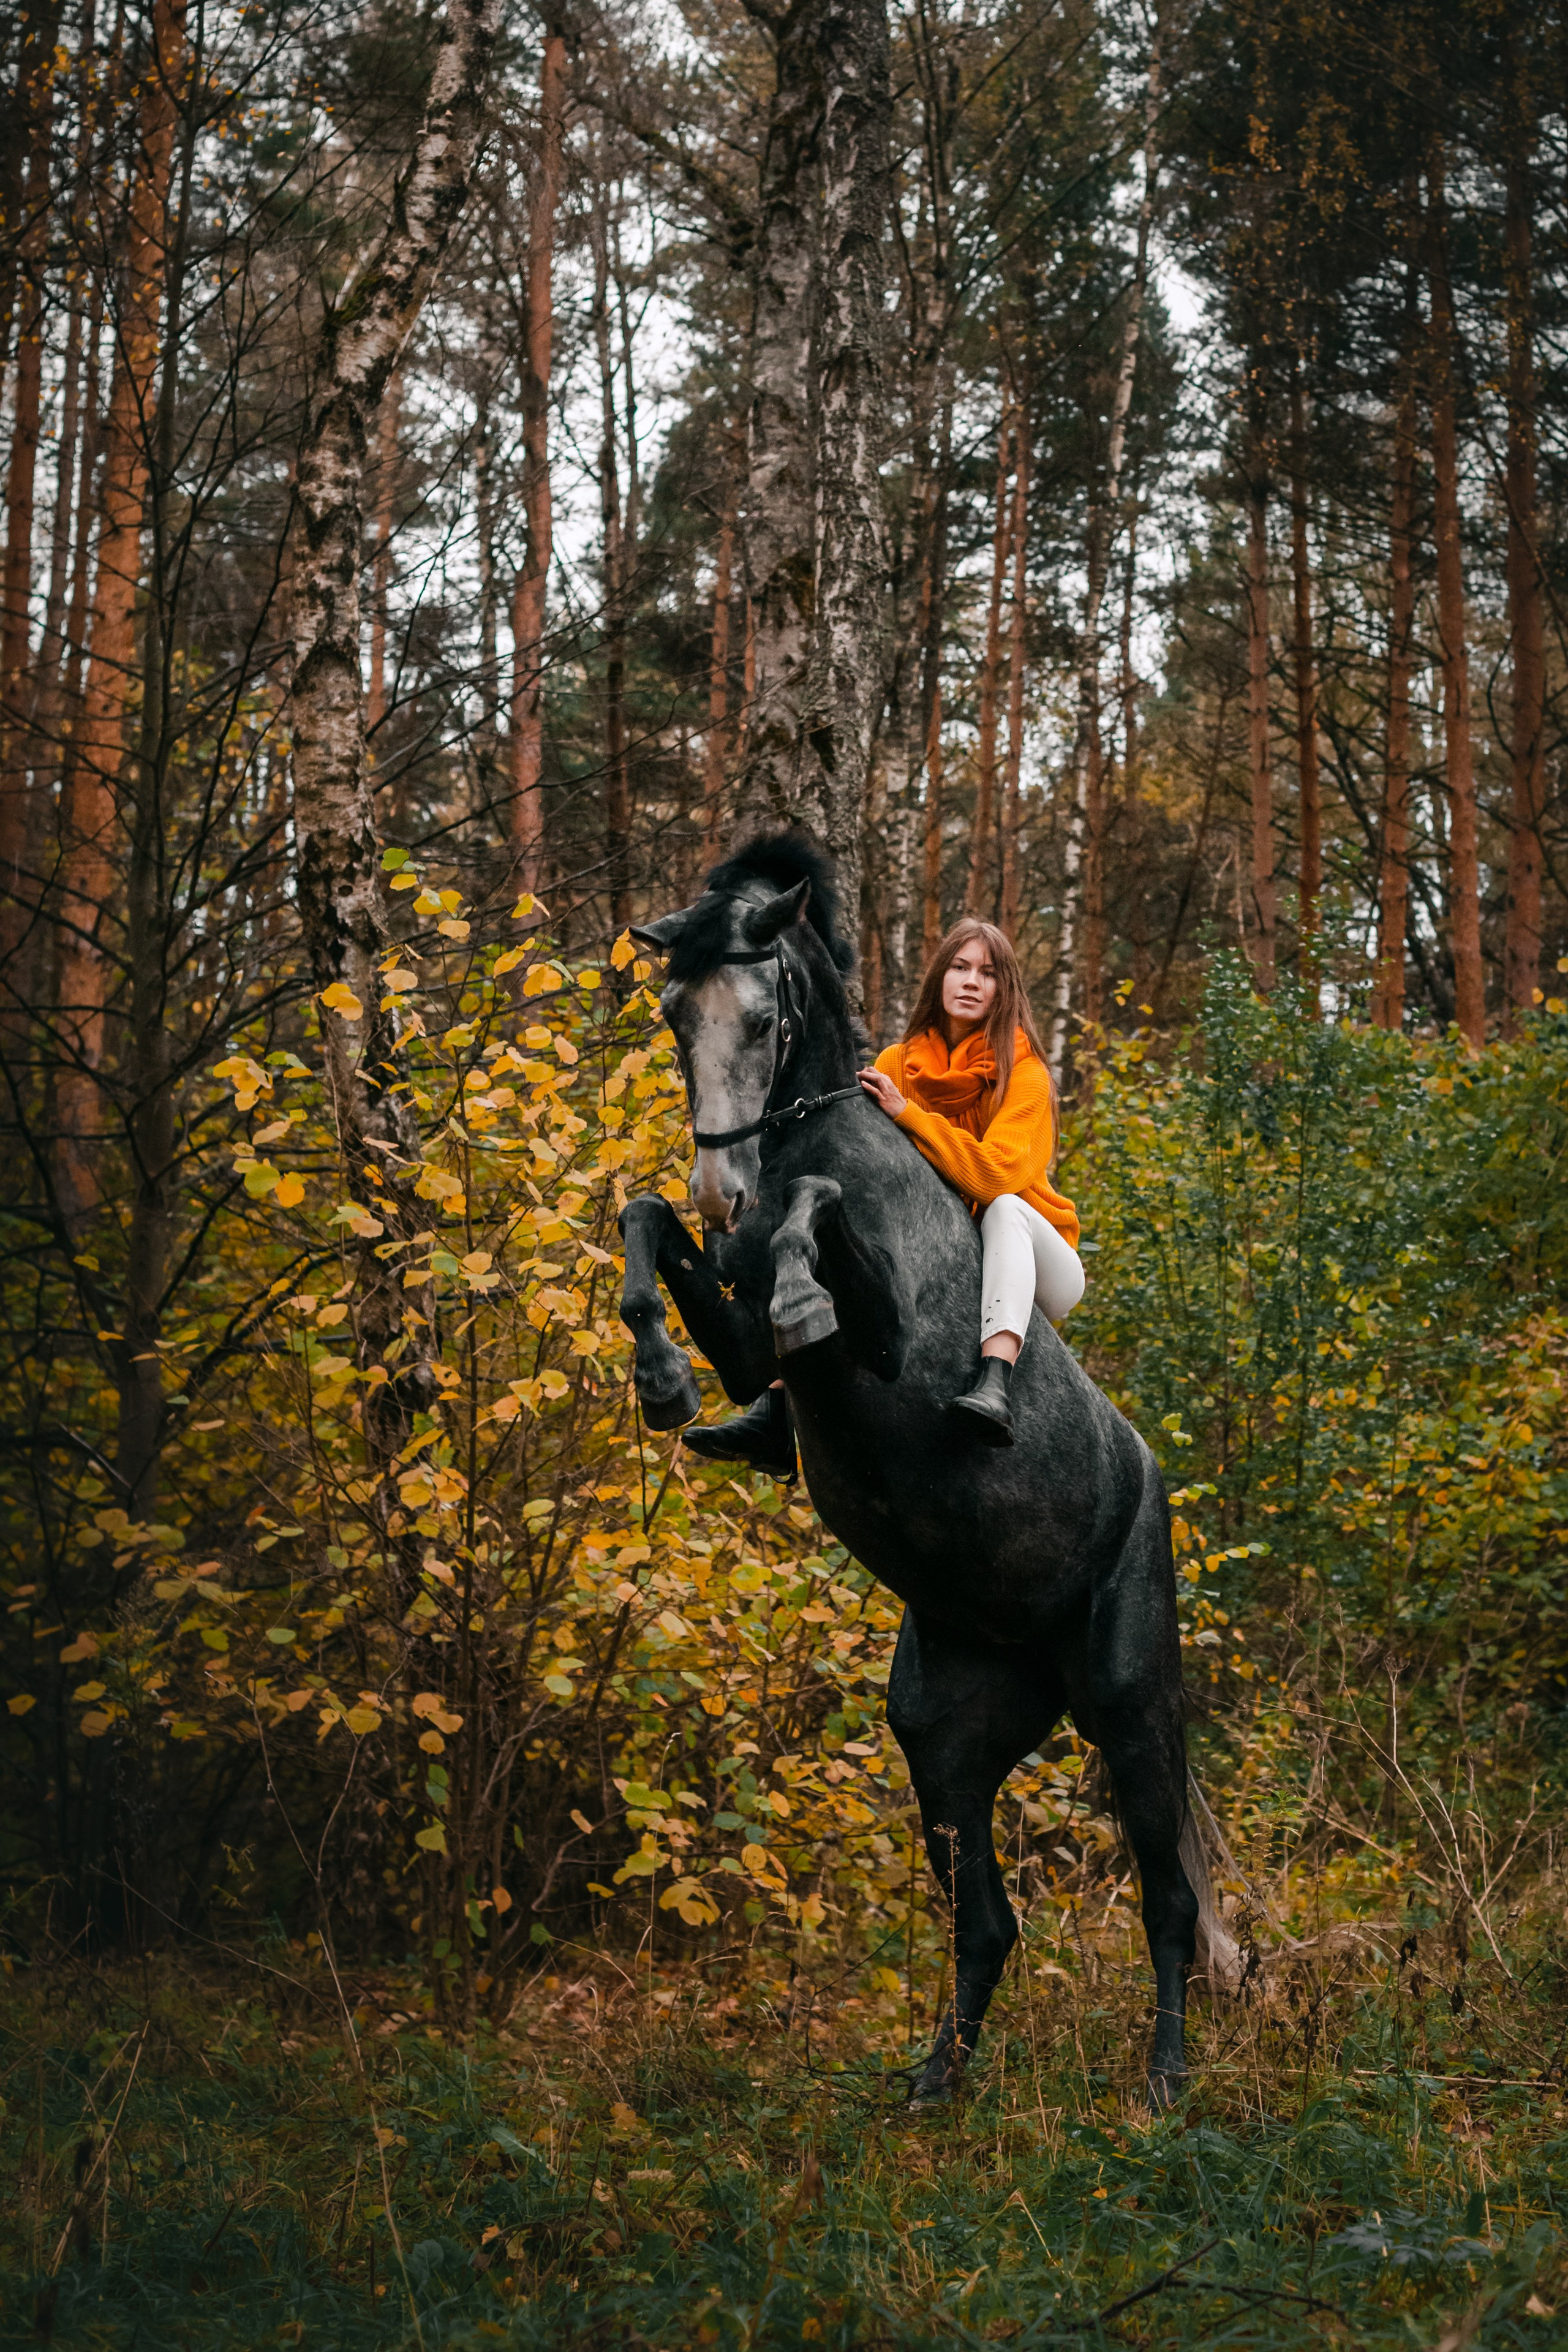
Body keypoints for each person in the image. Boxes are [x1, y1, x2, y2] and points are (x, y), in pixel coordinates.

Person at [685, 919, 1081, 1472]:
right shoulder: (897, 1065)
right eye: (960, 968)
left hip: (1037, 1256)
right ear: (940, 979)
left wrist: (908, 1115)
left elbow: (995, 1177)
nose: (970, 982)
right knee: (829, 1217)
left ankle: (996, 1379)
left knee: (1007, 1210)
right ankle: (775, 1410)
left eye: (987, 974)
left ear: (1004, 990)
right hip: (944, 1249)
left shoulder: (1028, 1075)